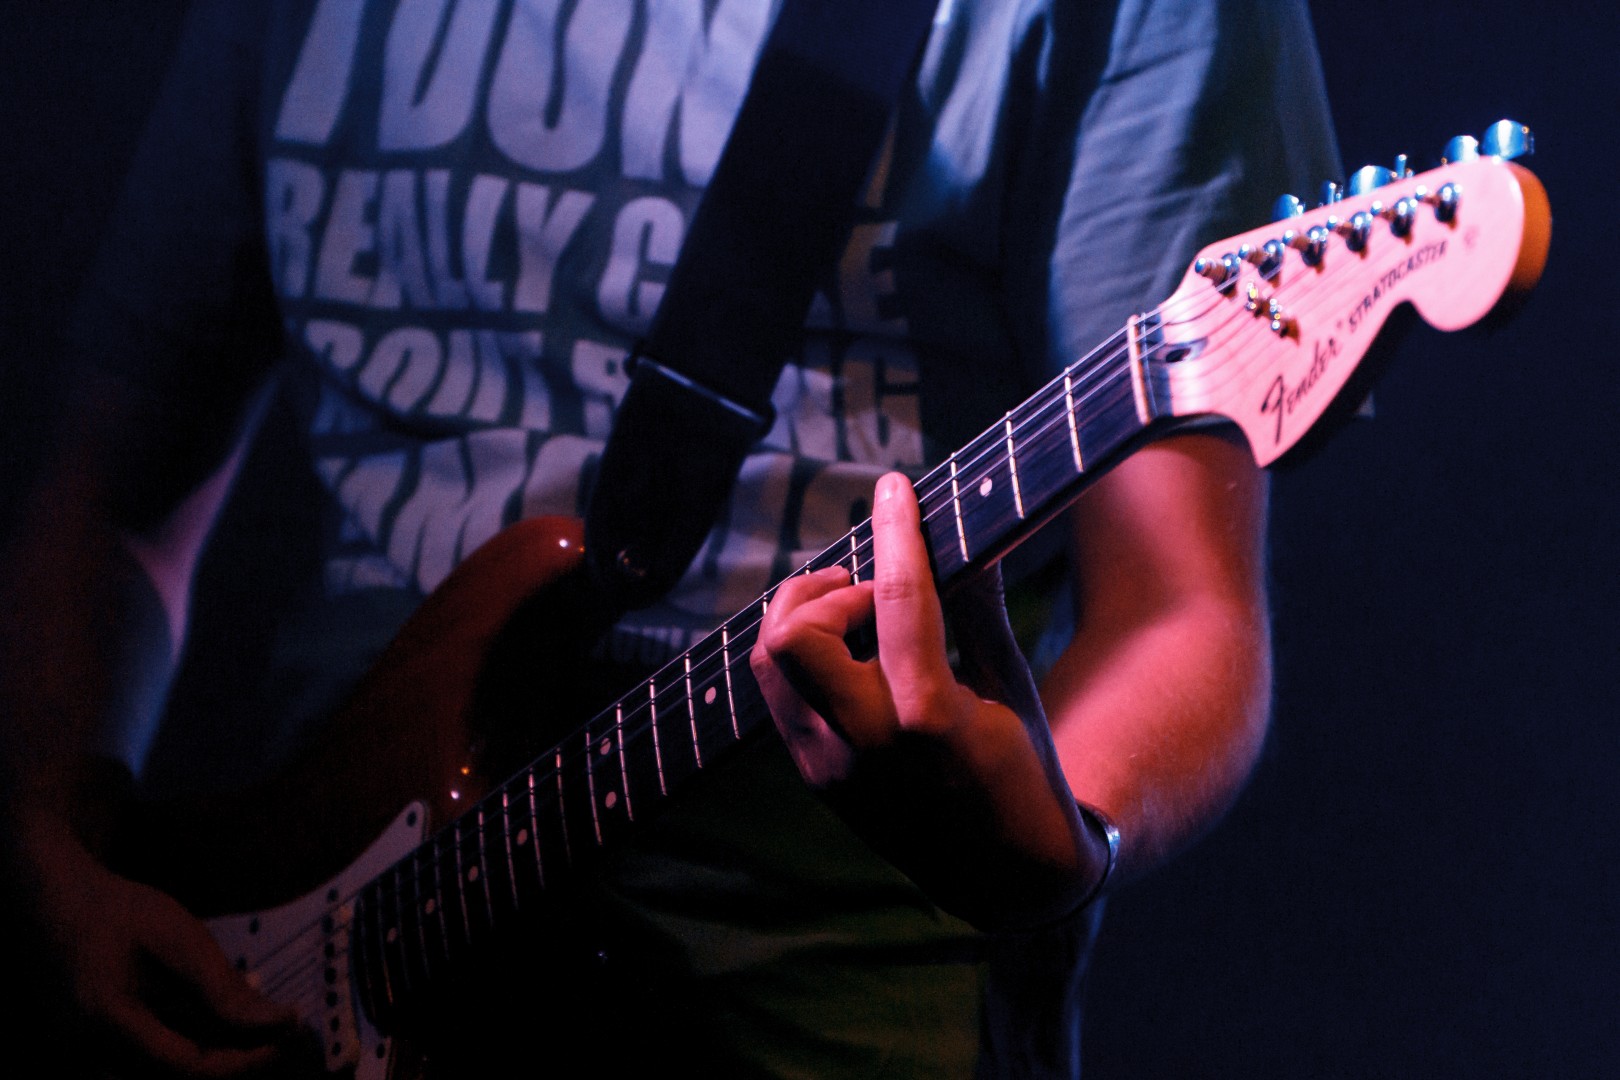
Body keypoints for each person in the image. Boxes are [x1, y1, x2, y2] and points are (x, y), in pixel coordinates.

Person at [0, 0, 1338, 1075]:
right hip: (286, 963)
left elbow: (1182, 609)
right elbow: (106, 490)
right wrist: (45, 849)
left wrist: (1052, 836)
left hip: (811, 987)